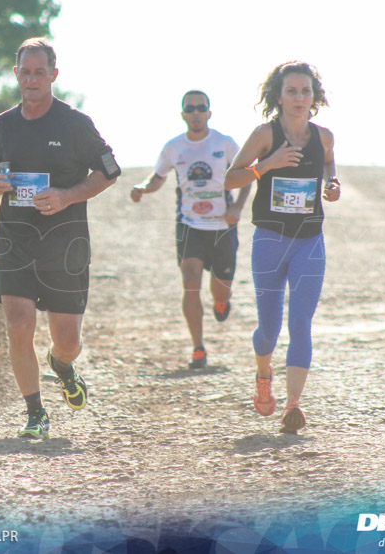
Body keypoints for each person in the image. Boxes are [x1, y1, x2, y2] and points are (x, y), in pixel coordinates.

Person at [0, 37, 121, 439]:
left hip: (65, 242)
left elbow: (110, 170)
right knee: (18, 325)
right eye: (26, 71)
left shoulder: (74, 124)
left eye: (40, 72)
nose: (32, 78)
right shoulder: (2, 125)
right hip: (14, 240)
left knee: (67, 340)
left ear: (54, 75)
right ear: (16, 75)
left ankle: (63, 365)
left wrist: (68, 196)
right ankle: (35, 412)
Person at [223, 61, 340, 434]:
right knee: (269, 329)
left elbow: (329, 167)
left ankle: (293, 405)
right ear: (279, 96)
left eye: (305, 91)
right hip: (270, 241)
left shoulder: (324, 137)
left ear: (314, 96)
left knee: (301, 322)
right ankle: (263, 372)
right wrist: (267, 165)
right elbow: (230, 179)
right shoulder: (264, 135)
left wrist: (331, 184)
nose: (299, 98)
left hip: (310, 241)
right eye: (291, 91)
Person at [130, 90, 251, 369]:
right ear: (183, 114)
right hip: (189, 224)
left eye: (201, 108)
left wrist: (238, 208)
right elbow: (158, 176)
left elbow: (247, 177)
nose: (195, 113)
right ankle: (198, 348)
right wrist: (142, 188)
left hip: (222, 225)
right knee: (190, 279)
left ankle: (221, 302)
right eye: (190, 108)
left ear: (209, 113)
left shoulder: (226, 143)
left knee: (221, 288)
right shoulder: (174, 147)